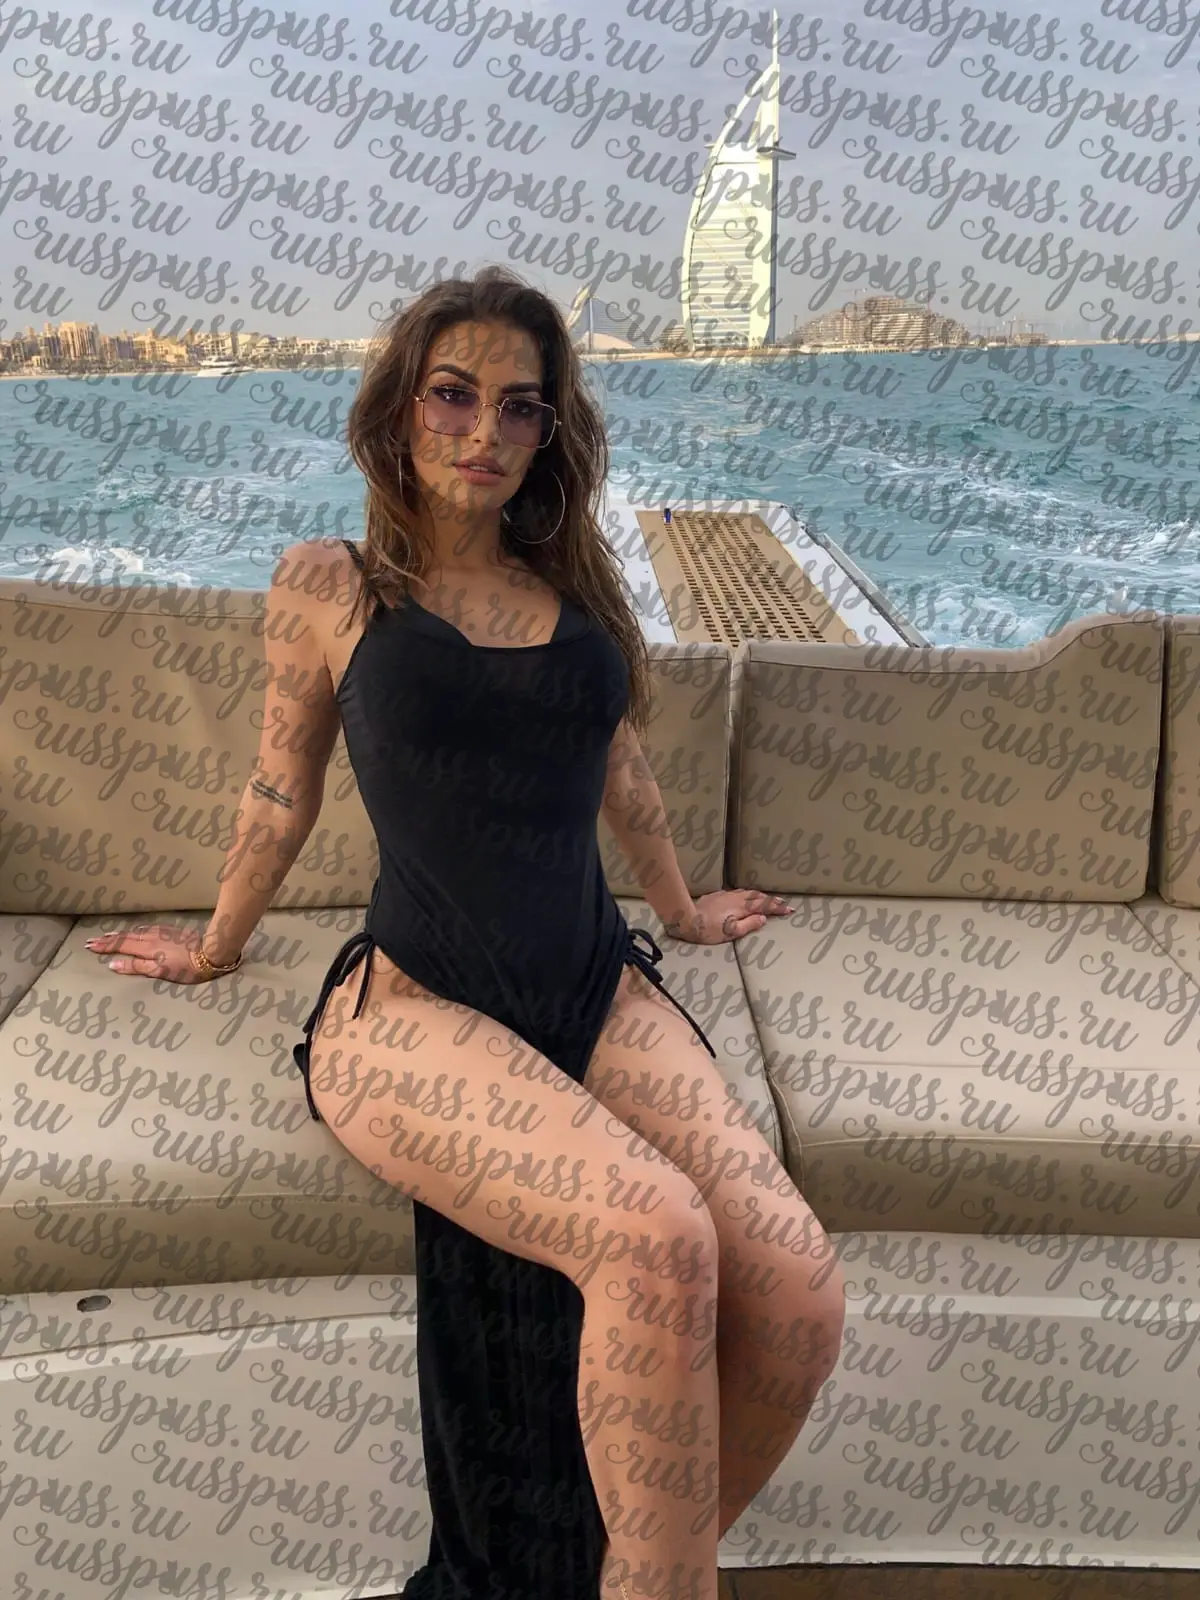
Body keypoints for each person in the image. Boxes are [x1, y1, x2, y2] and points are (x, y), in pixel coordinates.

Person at [85, 266, 846, 1600]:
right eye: (452, 394)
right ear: (400, 410)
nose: (484, 430)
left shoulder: (577, 592)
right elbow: (279, 790)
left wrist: (681, 911)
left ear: (550, 433)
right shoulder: (330, 584)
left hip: (591, 985)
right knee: (657, 1238)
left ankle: (630, 1570)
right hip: (413, 1002)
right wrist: (214, 946)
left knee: (795, 1286)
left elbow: (621, 774)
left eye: (519, 406)